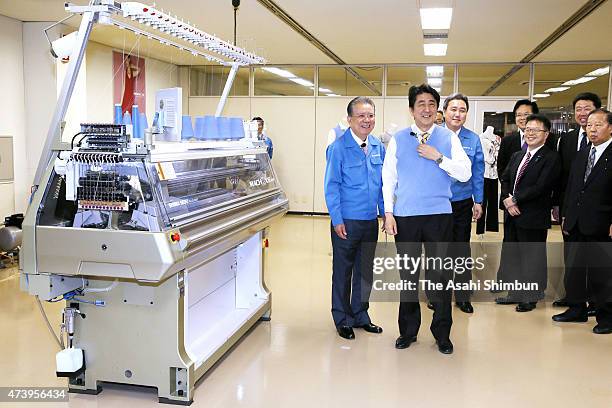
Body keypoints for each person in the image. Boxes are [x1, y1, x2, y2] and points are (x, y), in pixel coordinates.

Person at [382, 84, 471, 354]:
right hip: (406, 217)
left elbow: (465, 173)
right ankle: (408, 331)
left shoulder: (447, 138)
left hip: (439, 217)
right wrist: (388, 212)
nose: (427, 109)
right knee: (408, 276)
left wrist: (439, 157)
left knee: (440, 276)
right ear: (412, 109)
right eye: (421, 104)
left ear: (438, 109)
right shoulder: (398, 138)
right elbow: (389, 178)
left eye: (432, 103)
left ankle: (442, 334)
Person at [324, 97, 385, 340]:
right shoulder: (338, 148)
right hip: (346, 221)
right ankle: (342, 318)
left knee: (365, 271)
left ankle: (361, 315)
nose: (366, 120)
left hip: (370, 220)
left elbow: (382, 184)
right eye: (361, 116)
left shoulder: (378, 146)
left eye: (370, 115)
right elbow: (332, 186)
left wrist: (384, 213)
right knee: (343, 271)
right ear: (349, 120)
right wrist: (337, 219)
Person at [553, 109, 612, 334]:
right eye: (589, 126)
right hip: (576, 221)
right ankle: (576, 309)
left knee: (602, 272)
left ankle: (606, 317)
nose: (592, 129)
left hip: (602, 223)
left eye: (598, 125)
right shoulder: (583, 153)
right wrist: (567, 213)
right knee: (574, 269)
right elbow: (572, 187)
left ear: (610, 128)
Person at [497, 114, 560, 311]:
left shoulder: (551, 157)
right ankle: (514, 292)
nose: (530, 133)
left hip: (532, 215)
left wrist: (515, 199)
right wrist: (507, 200)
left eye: (535, 130)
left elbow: (541, 186)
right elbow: (505, 177)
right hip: (512, 215)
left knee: (532, 256)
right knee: (512, 254)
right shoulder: (518, 155)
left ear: (546, 134)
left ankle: (531, 296)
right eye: (527, 129)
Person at [552, 92, 602, 311]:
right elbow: (563, 176)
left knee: (595, 257)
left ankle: (594, 299)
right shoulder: (569, 139)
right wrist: (558, 205)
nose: (582, 114)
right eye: (578, 109)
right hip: (570, 207)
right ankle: (574, 298)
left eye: (587, 109)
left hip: (597, 212)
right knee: (571, 255)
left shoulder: (605, 144)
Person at [443, 93, 484, 314]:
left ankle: (462, 295)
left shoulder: (473, 139)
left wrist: (478, 200)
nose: (457, 114)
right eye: (453, 109)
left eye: (462, 110)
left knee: (460, 249)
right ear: (445, 112)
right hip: (437, 204)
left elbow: (478, 172)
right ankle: (437, 294)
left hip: (461, 203)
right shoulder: (434, 136)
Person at [477, 126, 501, 234]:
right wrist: (493, 157)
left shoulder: (497, 139)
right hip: (484, 174)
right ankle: (480, 228)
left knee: (493, 200)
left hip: (494, 174)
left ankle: (492, 226)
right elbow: (486, 157)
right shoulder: (481, 138)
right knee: (483, 202)